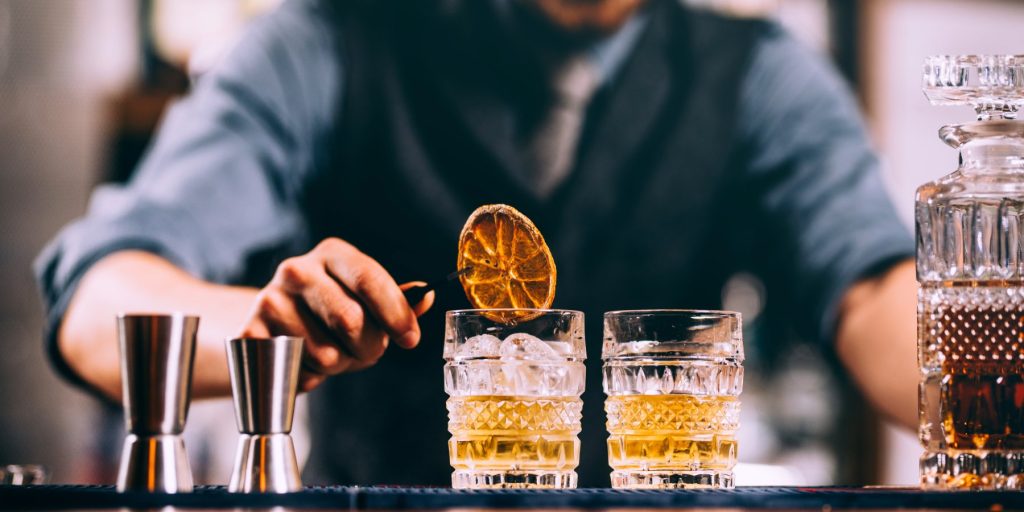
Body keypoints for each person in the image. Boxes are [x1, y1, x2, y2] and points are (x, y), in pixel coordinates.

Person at [35, 0, 918, 485]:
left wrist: (983, 368)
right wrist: (269, 328)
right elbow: (97, 301)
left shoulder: (762, 74)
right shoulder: (326, 43)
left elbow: (873, 291)